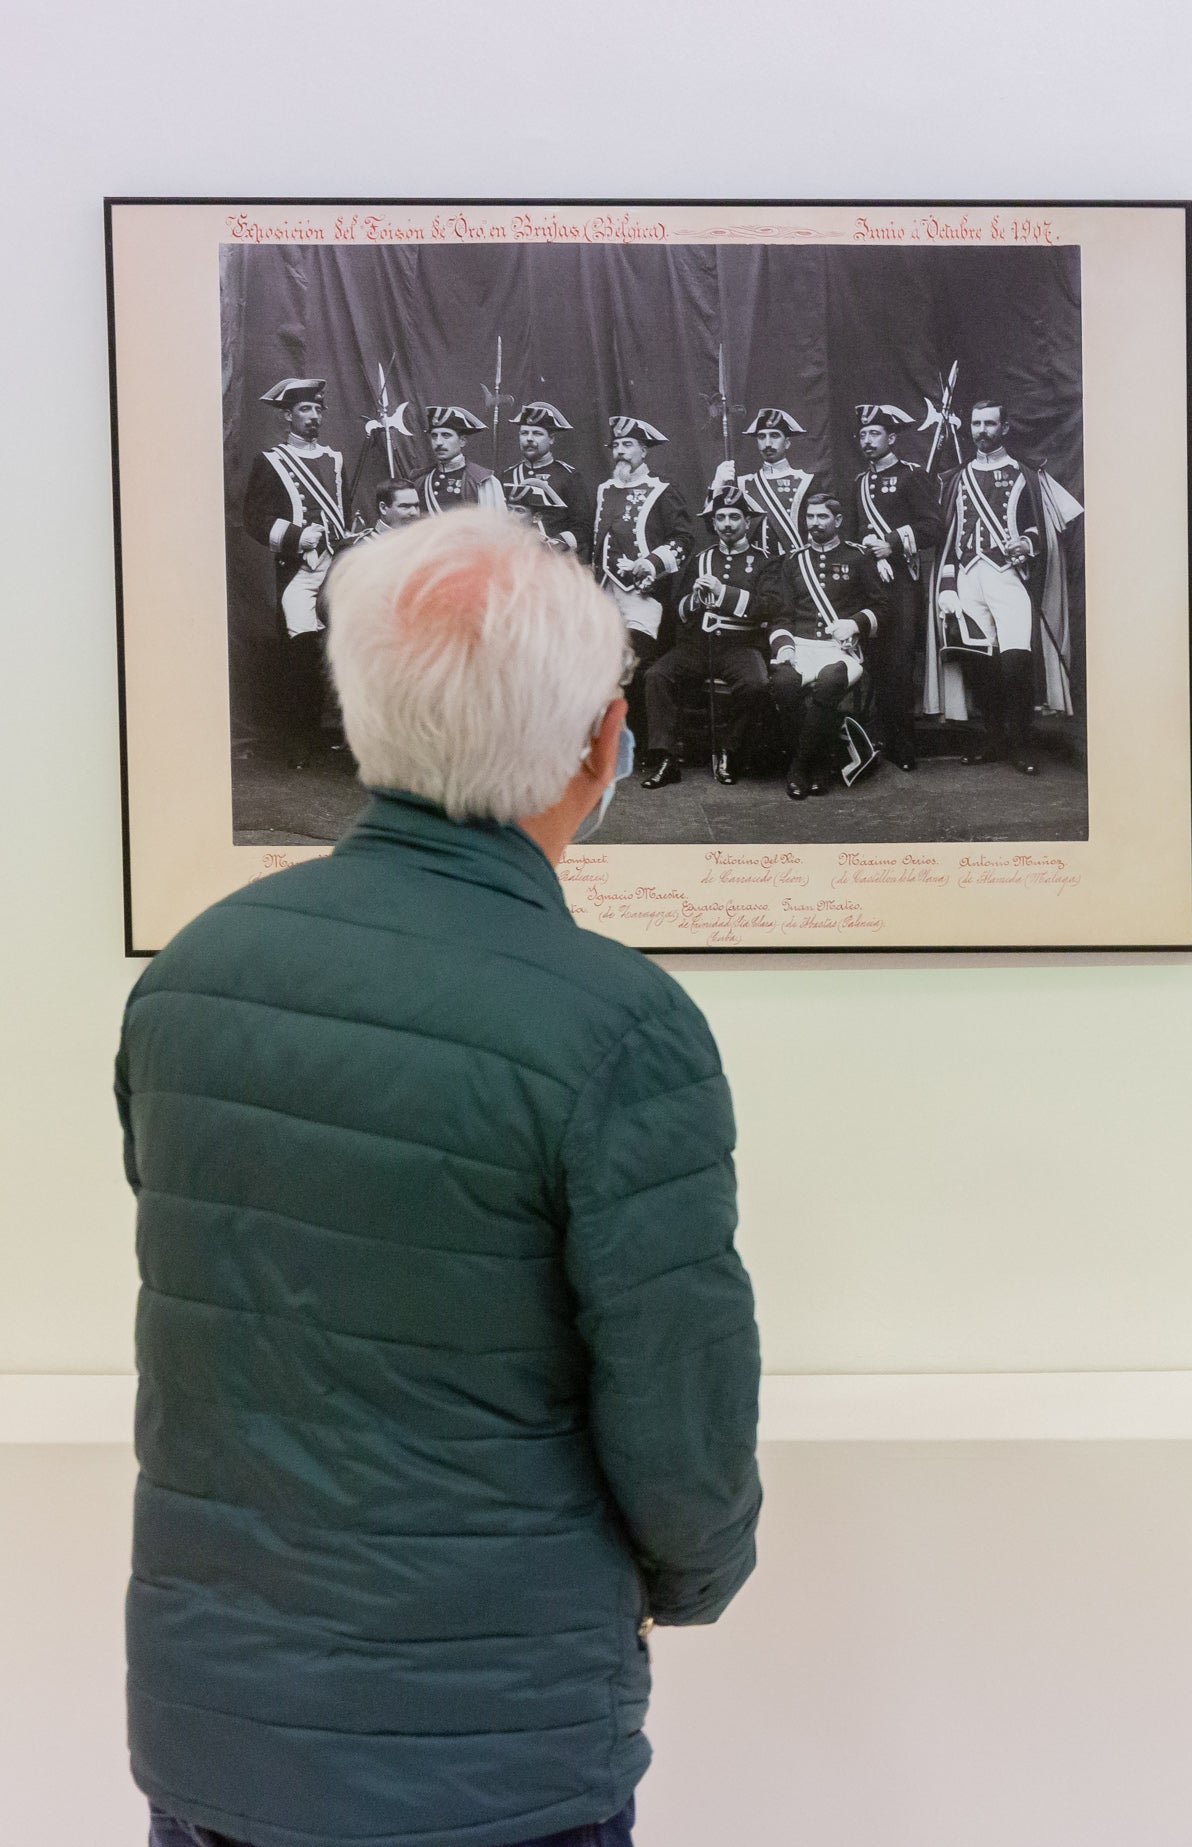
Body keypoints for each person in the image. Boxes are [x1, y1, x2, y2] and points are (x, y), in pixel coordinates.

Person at [117, 505, 761, 1847]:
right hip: (492, 1750)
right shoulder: (618, 1027)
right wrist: (693, 1576)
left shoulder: (192, 975)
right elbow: (678, 1398)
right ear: (602, 739)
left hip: (220, 1728)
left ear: (364, 715)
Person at [928, 398, 1083, 774]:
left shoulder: (1025, 474)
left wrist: (1026, 544)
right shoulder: (955, 478)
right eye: (976, 423)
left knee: (1015, 663)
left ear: (1005, 428)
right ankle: (994, 738)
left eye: (990, 424)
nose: (982, 431)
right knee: (979, 665)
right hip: (966, 578)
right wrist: (947, 584)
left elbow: (1039, 528)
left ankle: (1020, 743)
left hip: (1009, 576)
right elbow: (946, 536)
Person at [237, 378, 355, 765]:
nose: (313, 416)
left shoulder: (335, 460)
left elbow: (343, 509)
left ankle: (336, 734)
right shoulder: (270, 461)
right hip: (299, 568)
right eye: (305, 410)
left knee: (341, 647)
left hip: (335, 563)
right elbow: (254, 517)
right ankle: (299, 739)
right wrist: (296, 535)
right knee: (299, 652)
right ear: (288, 416)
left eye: (317, 410)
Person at [640, 482, 772, 788]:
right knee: (657, 675)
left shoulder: (765, 560)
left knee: (756, 685)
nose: (727, 524)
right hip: (698, 644)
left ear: (747, 521)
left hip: (740, 645)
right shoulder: (700, 559)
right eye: (721, 518)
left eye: (734, 518)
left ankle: (730, 751)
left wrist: (723, 593)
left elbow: (770, 606)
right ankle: (666, 758)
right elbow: (678, 609)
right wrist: (697, 600)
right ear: (713, 523)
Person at [755, 489, 879, 798]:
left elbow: (883, 606)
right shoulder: (793, 561)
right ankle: (820, 760)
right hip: (801, 645)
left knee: (830, 680)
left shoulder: (857, 557)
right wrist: (784, 647)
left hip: (841, 649)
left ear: (837, 520)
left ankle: (800, 766)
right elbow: (782, 615)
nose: (815, 523)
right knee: (783, 683)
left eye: (822, 516)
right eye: (810, 517)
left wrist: (855, 622)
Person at [850, 402, 936, 771]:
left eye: (875, 434)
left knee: (899, 664)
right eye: (863, 434)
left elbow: (934, 525)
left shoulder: (911, 476)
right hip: (870, 585)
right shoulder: (859, 482)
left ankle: (904, 746)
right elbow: (856, 533)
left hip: (902, 582)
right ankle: (877, 738)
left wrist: (893, 544)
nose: (868, 441)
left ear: (892, 438)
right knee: (874, 662)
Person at [593, 416, 692, 673]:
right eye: (616, 446)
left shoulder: (661, 488)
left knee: (635, 664)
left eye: (628, 444)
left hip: (642, 593)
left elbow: (683, 539)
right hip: (605, 591)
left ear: (644, 450)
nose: (621, 452)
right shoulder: (605, 489)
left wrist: (651, 563)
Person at [710, 407, 812, 555]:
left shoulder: (806, 482)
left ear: (788, 442)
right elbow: (711, 527)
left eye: (775, 436)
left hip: (794, 568)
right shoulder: (743, 484)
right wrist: (717, 484)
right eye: (762, 437)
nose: (768, 444)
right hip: (756, 568)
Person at [506, 401, 594, 556]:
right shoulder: (507, 475)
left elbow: (583, 526)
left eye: (537, 434)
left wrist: (557, 543)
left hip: (554, 560)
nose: (529, 439)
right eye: (524, 433)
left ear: (552, 438)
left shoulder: (567, 476)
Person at [417, 406, 504, 514]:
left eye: (446, 435)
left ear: (462, 441)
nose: (438, 442)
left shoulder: (482, 481)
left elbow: (495, 525)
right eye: (434, 436)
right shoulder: (421, 480)